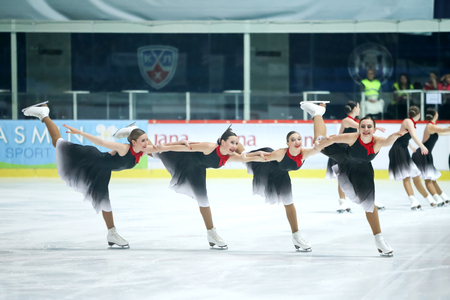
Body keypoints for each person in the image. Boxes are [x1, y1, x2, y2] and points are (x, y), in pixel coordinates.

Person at [21, 102, 187, 248]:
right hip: (95, 161)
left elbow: (160, 148)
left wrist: (180, 143)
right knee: (58, 143)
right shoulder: (125, 149)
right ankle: (44, 115)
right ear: (133, 142)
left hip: (103, 169)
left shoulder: (143, 150)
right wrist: (79, 132)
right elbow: (100, 142)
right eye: (143, 140)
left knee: (57, 143)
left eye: (146, 140)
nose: (146, 143)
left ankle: (44, 115)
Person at [151, 126, 268, 250]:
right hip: (184, 158)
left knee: (203, 201)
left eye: (236, 143)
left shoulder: (229, 156)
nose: (234, 146)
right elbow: (186, 147)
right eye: (232, 142)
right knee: (151, 152)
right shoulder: (209, 147)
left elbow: (245, 157)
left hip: (196, 169)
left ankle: (211, 233)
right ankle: (135, 133)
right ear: (223, 142)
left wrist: (261, 155)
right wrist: (165, 147)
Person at [315, 115, 406, 256]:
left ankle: (379, 239)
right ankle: (317, 113)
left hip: (363, 170)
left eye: (369, 126)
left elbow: (388, 142)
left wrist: (395, 136)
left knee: (369, 205)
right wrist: (319, 145)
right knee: (319, 139)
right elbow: (332, 139)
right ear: (358, 128)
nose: (366, 129)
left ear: (374, 129)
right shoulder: (352, 137)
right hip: (344, 157)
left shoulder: (377, 141)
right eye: (363, 126)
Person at [245, 101, 326, 251]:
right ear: (287, 143)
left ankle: (297, 237)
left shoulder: (304, 153)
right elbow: (261, 158)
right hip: (267, 166)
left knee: (289, 203)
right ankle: (236, 148)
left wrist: (319, 117)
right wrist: (244, 157)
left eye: (299, 139)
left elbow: (319, 147)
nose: (297, 142)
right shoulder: (280, 153)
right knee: (245, 158)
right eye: (293, 140)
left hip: (282, 175)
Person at [326, 101, 386, 213]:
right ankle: (342, 201)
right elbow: (361, 128)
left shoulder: (354, 121)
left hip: (351, 153)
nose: (359, 109)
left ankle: (369, 198)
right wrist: (373, 128)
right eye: (358, 107)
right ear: (354, 109)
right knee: (343, 176)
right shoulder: (347, 120)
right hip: (342, 151)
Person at [388, 106, 437, 209]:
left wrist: (411, 146)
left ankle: (429, 200)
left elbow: (403, 137)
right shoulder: (408, 121)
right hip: (398, 150)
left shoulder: (408, 122)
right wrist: (422, 146)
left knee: (416, 174)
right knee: (406, 176)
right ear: (419, 115)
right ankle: (413, 201)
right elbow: (413, 136)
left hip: (403, 149)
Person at [411, 108, 450, 206]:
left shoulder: (433, 126)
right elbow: (444, 129)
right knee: (428, 179)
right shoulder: (431, 126)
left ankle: (444, 198)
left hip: (426, 154)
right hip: (422, 154)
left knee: (432, 179)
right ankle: (437, 200)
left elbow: (444, 132)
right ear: (436, 115)